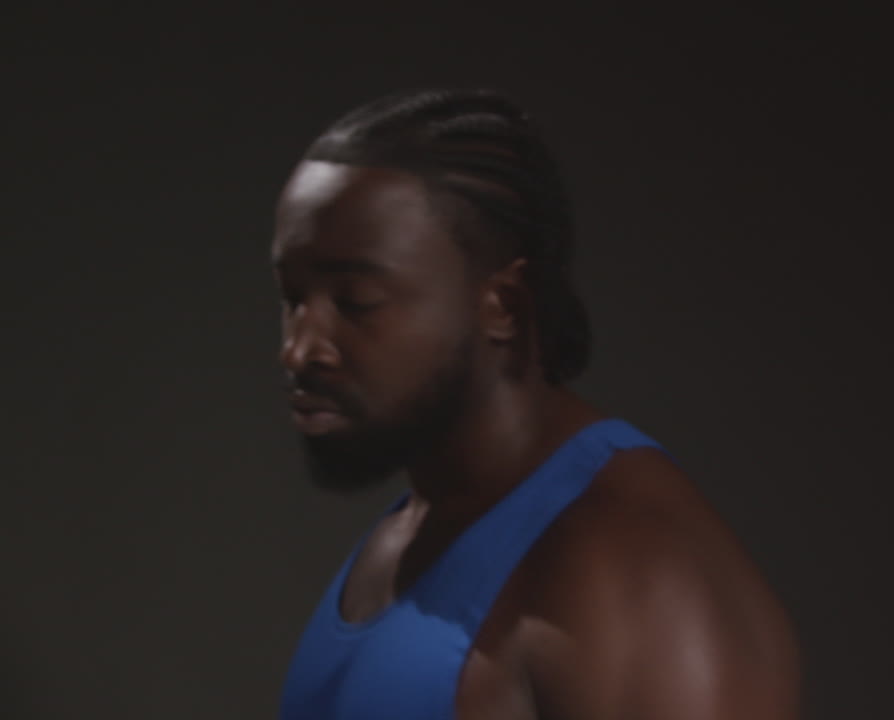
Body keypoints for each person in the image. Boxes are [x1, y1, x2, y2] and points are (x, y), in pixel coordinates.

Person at [272, 88, 799, 720]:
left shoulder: (637, 576)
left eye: (356, 302)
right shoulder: (408, 532)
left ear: (503, 305)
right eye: (292, 298)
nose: (298, 349)